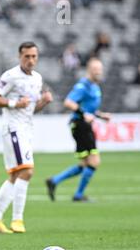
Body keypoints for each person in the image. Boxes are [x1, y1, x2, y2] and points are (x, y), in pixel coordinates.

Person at [0, 42, 53, 234]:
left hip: (26, 128)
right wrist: (15, 102)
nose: (31, 60)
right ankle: (17, 219)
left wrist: (43, 102)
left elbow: (30, 109)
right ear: (19, 56)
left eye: (34, 56)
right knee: (27, 171)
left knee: (15, 175)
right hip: (13, 129)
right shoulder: (11, 75)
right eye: (27, 56)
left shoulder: (37, 79)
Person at [46, 58, 111, 202]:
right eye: (95, 69)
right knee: (94, 161)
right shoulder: (83, 86)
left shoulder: (95, 86)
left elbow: (89, 109)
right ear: (89, 70)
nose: (98, 72)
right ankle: (78, 195)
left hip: (84, 125)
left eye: (100, 69)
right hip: (80, 125)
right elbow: (68, 102)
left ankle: (54, 181)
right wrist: (84, 114)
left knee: (84, 165)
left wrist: (101, 115)